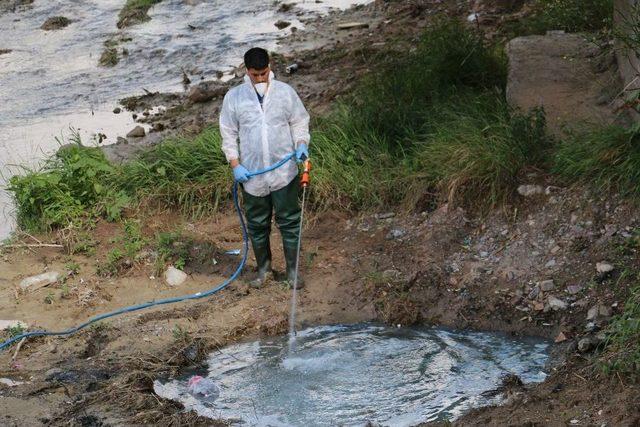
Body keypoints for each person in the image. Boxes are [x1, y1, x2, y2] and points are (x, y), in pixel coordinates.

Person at [219, 47, 310, 289]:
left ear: (270, 68)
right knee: (257, 224)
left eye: (264, 73)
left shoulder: (285, 93)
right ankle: (264, 270)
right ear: (246, 72)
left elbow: (299, 121)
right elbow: (228, 134)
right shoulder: (235, 98)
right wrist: (236, 165)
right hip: (252, 175)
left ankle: (292, 271)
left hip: (284, 171)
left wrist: (301, 144)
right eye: (255, 75)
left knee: (289, 220)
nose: (260, 79)